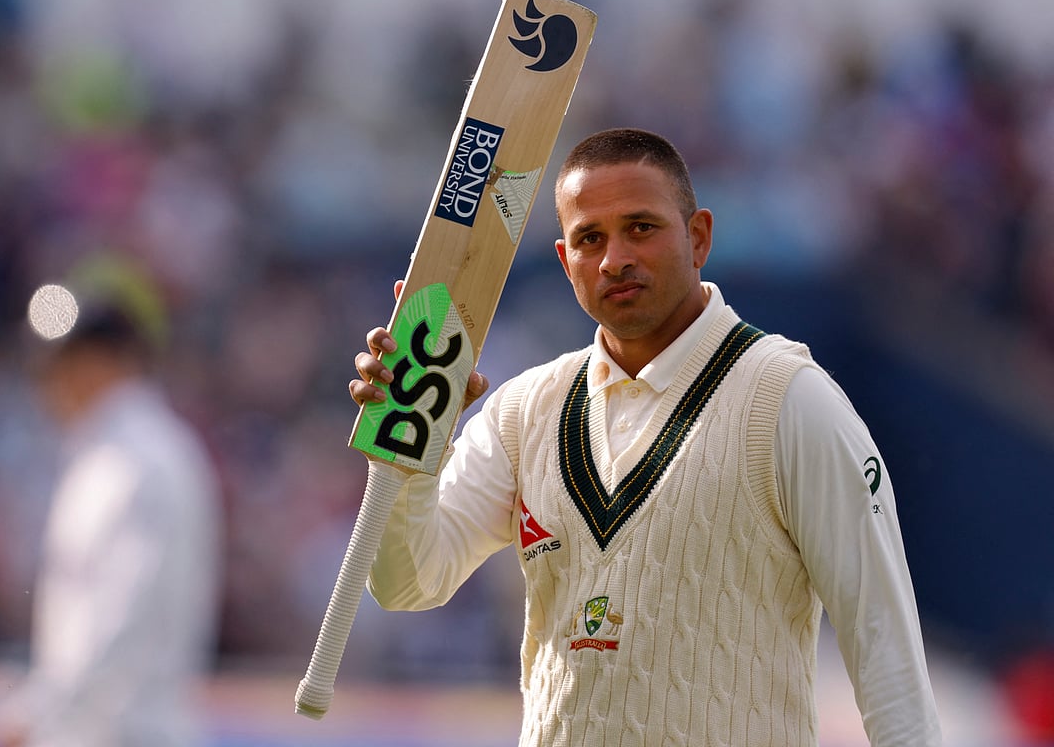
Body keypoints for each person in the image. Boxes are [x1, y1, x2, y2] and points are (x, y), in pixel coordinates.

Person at [350, 128, 942, 746]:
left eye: (640, 227)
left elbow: (883, 641)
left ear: (699, 237)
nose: (615, 259)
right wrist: (410, 435)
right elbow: (406, 582)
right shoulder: (524, 410)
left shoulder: (791, 399)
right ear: (565, 262)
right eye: (590, 238)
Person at [0, 256, 222, 747]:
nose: (45, 381)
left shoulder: (137, 462)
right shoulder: (115, 455)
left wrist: (37, 711)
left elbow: (121, 615)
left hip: (126, 731)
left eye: (58, 363)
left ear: (100, 361)